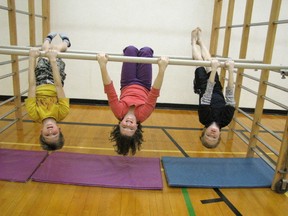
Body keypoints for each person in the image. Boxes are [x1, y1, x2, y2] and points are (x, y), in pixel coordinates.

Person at [96, 46, 169, 156]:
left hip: (127, 82)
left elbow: (109, 89)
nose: (128, 124)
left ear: (120, 124)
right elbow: (154, 92)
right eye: (131, 129)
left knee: (130, 50)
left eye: (124, 127)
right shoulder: (143, 114)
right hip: (144, 84)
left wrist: (102, 65)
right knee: (146, 51)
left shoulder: (118, 112)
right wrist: (162, 69)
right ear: (137, 128)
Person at [25, 32, 71, 151]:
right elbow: (58, 86)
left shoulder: (34, 114)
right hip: (55, 79)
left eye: (47, 134)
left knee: (46, 50)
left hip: (39, 80)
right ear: (59, 130)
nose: (50, 131)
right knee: (55, 50)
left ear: (41, 132)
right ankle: (65, 43)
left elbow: (31, 85)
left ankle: (48, 39)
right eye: (54, 134)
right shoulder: (62, 112)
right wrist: (53, 61)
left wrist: (31, 59)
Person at [192, 27, 236, 148]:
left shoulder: (204, 118)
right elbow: (230, 96)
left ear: (203, 132)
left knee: (200, 61)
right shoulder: (226, 120)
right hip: (216, 89)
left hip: (203, 87)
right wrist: (231, 71)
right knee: (209, 60)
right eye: (214, 137)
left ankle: (193, 42)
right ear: (219, 135)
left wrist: (215, 69)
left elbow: (207, 95)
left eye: (208, 136)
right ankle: (200, 41)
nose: (212, 134)